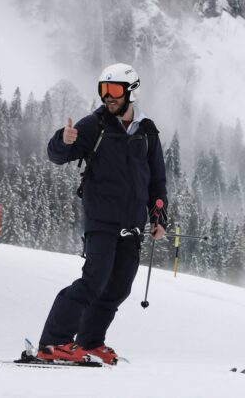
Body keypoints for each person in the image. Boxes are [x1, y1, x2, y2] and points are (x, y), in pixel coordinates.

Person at [36, 63, 168, 365]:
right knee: (93, 281)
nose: (108, 96)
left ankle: (91, 342)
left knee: (118, 288)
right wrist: (62, 140)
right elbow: (58, 155)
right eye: (103, 90)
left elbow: (156, 180)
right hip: (102, 220)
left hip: (132, 224)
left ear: (130, 91)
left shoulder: (147, 132)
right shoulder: (93, 125)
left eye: (114, 90)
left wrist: (158, 218)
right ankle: (54, 342)